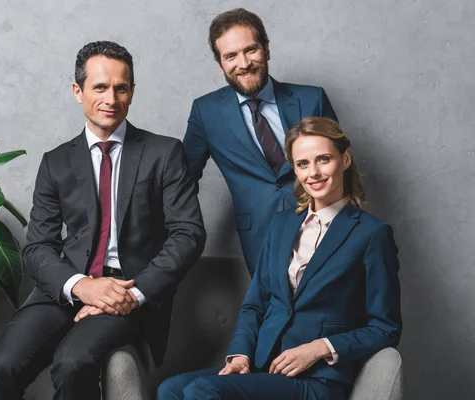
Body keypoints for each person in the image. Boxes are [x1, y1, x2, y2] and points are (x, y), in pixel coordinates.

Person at [0, 41, 206, 400]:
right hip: (66, 288)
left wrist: (133, 293)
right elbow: (38, 247)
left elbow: (188, 234)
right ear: (78, 91)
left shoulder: (164, 153)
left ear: (132, 91)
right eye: (100, 87)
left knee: (72, 363)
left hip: (127, 291)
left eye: (121, 87)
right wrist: (81, 286)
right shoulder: (56, 162)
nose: (110, 99)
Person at [158, 117, 402, 400]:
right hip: (264, 365)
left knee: (204, 390)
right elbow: (255, 302)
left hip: (318, 380)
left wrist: (319, 348)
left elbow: (385, 328)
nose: (314, 173)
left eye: (323, 159)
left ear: (345, 158)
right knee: (170, 390)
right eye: (303, 164)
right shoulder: (283, 223)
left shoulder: (372, 234)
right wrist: (239, 355)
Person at [184, 8, 338, 275]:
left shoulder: (312, 99)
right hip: (261, 237)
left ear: (266, 50)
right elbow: (182, 181)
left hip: (327, 226)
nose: (243, 63)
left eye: (250, 50)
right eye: (231, 56)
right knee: (277, 312)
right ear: (220, 65)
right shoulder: (206, 112)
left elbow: (341, 166)